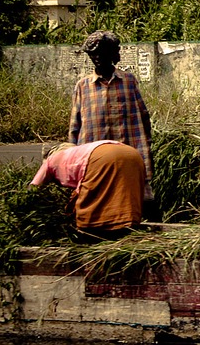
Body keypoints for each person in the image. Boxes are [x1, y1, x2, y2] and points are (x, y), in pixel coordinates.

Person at [69, 30, 155, 203]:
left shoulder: (128, 81)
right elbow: (75, 126)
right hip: (93, 157)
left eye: (101, 53)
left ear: (112, 54)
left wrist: (149, 146)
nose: (97, 58)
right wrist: (71, 155)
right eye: (93, 55)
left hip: (125, 154)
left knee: (131, 197)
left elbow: (143, 115)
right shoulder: (83, 86)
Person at [31, 140, 146, 241]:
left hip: (103, 157)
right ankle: (125, 226)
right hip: (133, 154)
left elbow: (33, 188)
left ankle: (93, 235)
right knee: (124, 195)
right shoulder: (78, 152)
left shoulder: (50, 160)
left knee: (89, 209)